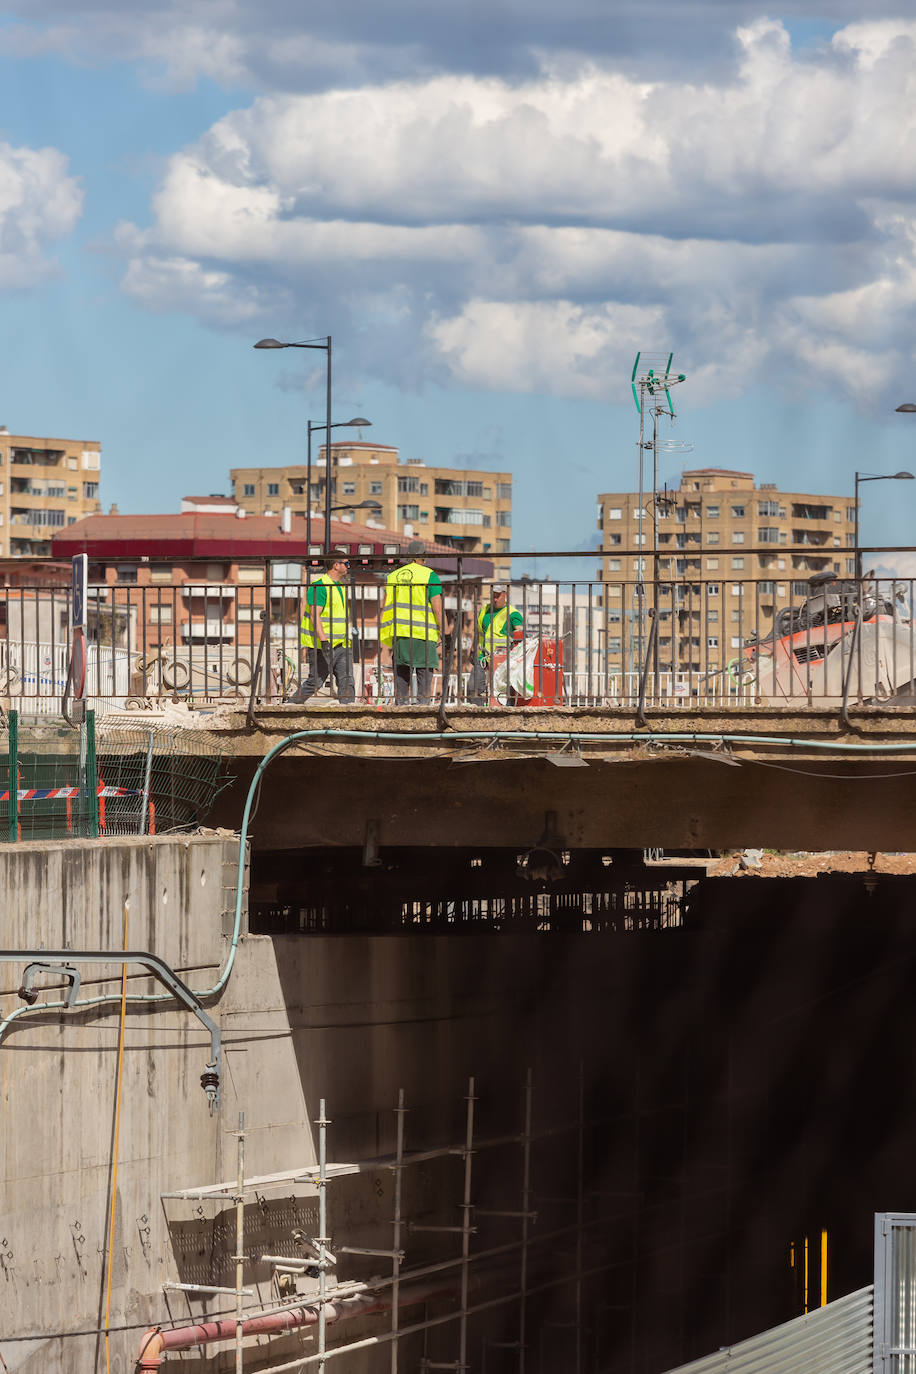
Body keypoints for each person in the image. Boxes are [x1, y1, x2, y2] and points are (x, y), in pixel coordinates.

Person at [379, 539, 443, 704]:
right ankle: (423, 706)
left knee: (401, 671)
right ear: (423, 557)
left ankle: (401, 704)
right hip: (423, 632)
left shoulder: (393, 576)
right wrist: (444, 631)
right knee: (424, 672)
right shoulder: (429, 575)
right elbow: (437, 608)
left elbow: (384, 606)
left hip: (399, 632)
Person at [288, 552, 355, 704]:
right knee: (315, 683)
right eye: (346, 563)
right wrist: (324, 641)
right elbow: (314, 615)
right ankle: (290, 705)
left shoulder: (339, 587)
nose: (349, 566)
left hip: (341, 644)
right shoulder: (320, 586)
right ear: (336, 565)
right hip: (322, 646)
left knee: (347, 680)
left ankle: (348, 711)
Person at [468, 583, 525, 704]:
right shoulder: (484, 611)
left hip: (502, 660)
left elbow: (520, 636)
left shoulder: (513, 614)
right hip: (483, 657)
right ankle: (476, 712)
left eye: (498, 596)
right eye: (493, 596)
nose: (495, 599)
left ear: (505, 595)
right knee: (474, 688)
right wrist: (472, 650)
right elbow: (478, 633)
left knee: (500, 692)